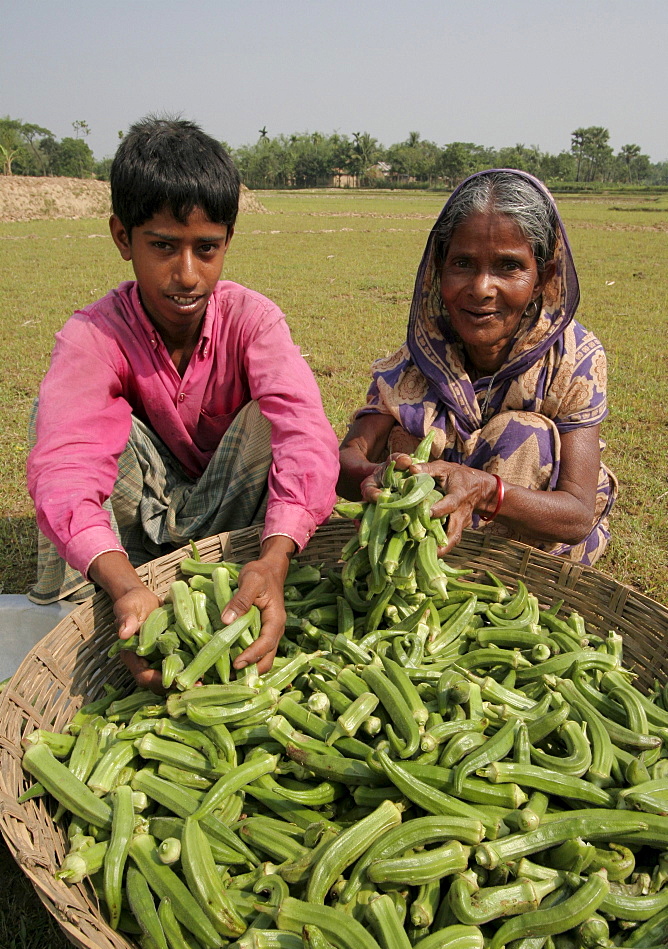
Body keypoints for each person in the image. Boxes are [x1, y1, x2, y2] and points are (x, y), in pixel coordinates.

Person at [27, 116, 339, 687]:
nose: (188, 274)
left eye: (207, 248)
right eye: (164, 247)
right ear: (123, 237)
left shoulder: (253, 321)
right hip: (136, 523)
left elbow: (304, 435)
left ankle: (244, 570)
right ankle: (87, 590)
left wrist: (273, 561)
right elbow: (67, 468)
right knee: (55, 425)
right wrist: (124, 588)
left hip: (227, 516)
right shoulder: (93, 335)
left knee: (273, 423)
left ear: (228, 242)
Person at [338, 169, 617, 565]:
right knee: (409, 439)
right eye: (463, 264)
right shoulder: (419, 357)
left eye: (508, 266)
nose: (482, 287)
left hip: (530, 551)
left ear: (542, 278)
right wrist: (384, 473)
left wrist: (487, 491)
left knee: (522, 432)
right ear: (440, 269)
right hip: (424, 538)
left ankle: (484, 577)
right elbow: (347, 459)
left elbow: (575, 514)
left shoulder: (574, 360)